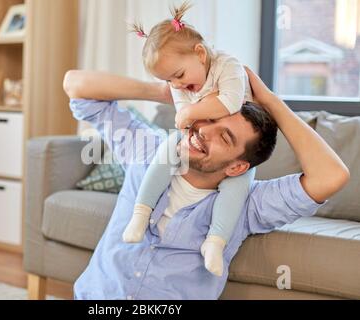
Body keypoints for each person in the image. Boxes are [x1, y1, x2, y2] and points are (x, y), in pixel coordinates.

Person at [62, 67, 349, 300]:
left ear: (238, 166)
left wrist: (272, 102)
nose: (204, 131)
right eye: (209, 118)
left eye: (224, 137)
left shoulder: (250, 205)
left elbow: (331, 176)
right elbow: (75, 84)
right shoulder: (148, 151)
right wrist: (165, 92)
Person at [124, 1, 255, 278]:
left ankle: (215, 242)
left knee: (239, 184)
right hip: (199, 138)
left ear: (200, 53)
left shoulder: (227, 65)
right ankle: (141, 212)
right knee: (166, 152)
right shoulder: (179, 85)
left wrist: (194, 111)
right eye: (170, 81)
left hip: (233, 147)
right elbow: (182, 117)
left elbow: (230, 103)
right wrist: (190, 116)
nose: (178, 86)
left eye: (179, 75)